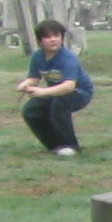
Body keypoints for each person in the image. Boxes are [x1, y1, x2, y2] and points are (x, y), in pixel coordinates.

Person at [16, 18, 92, 157]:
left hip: (78, 93)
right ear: (40, 40)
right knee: (30, 111)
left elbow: (69, 87)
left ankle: (72, 147)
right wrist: (26, 84)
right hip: (56, 92)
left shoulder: (68, 58)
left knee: (58, 105)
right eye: (48, 37)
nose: (53, 40)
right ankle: (54, 146)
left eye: (56, 36)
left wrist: (42, 92)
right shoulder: (38, 56)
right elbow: (34, 78)